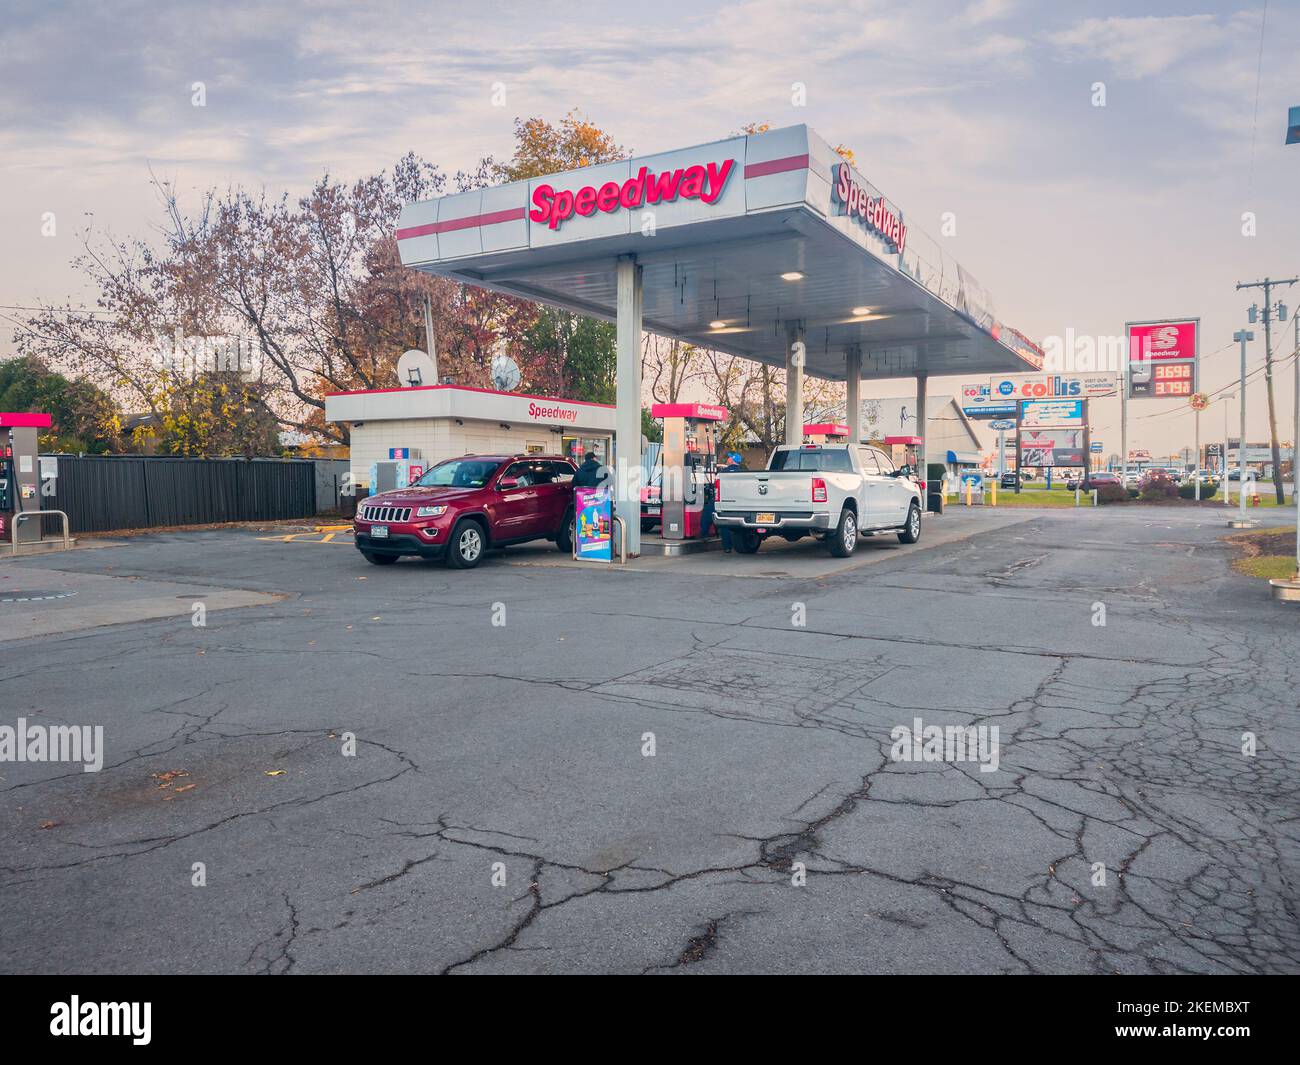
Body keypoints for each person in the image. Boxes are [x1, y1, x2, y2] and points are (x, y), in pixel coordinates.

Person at [716, 452, 744, 552]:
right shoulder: (743, 473)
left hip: (727, 503)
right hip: (741, 503)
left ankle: (727, 547)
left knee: (725, 524)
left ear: (732, 460)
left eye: (728, 458)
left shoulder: (723, 472)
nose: (727, 459)